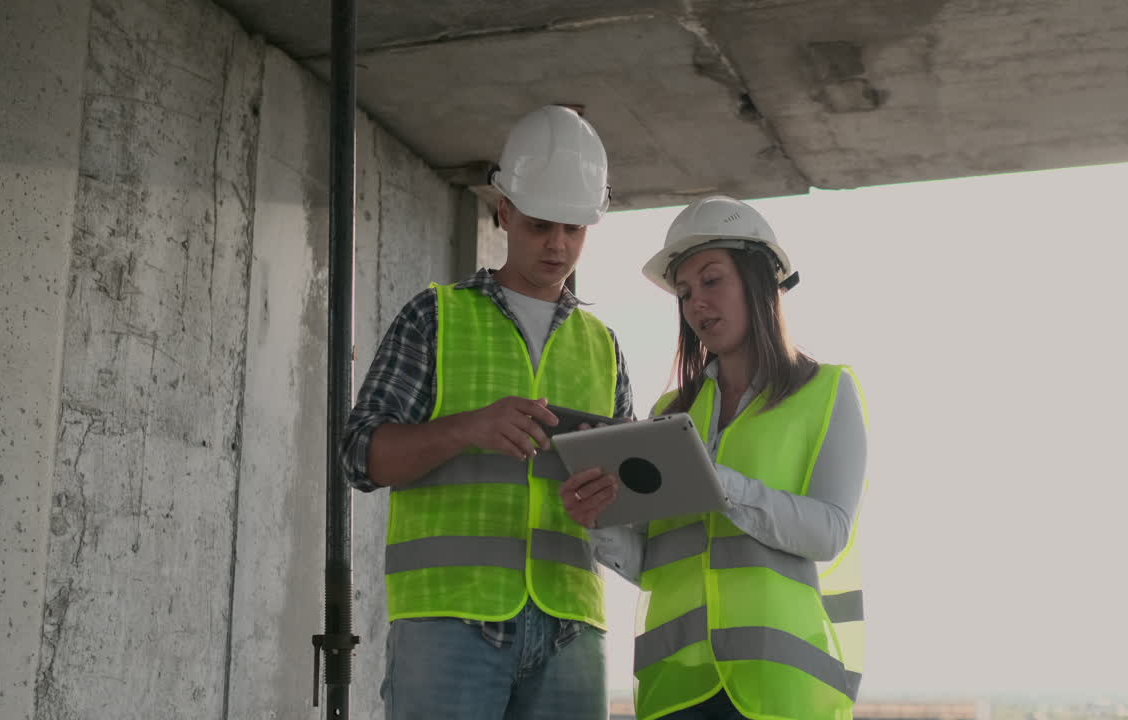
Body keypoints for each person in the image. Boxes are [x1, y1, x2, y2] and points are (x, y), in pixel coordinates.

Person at [343, 105, 632, 720]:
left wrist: (614, 497)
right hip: (449, 619)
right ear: (504, 212)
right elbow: (359, 455)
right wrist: (467, 428)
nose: (557, 245)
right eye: (539, 226)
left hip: (570, 624)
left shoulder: (604, 345)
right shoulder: (434, 315)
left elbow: (629, 507)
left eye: (574, 230)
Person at [561, 195, 869, 720]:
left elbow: (829, 532)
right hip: (677, 689)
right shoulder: (667, 415)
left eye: (711, 281)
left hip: (781, 693)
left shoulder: (828, 392)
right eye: (684, 293)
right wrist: (600, 524)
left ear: (758, 279)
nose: (696, 303)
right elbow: (659, 565)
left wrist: (721, 484)